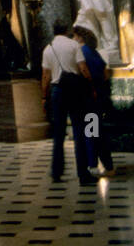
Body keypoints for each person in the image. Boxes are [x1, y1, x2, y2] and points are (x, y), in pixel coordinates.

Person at [40, 20, 96, 186]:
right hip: (74, 89)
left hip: (57, 90)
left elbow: (45, 76)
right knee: (79, 131)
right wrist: (91, 85)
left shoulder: (48, 49)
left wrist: (44, 97)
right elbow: (83, 68)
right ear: (66, 30)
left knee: (58, 133)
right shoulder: (73, 45)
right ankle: (83, 174)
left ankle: (57, 172)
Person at [73, 23, 115, 178]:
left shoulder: (81, 52)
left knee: (91, 131)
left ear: (79, 38)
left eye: (74, 37)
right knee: (98, 131)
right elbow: (105, 73)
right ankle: (108, 164)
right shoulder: (93, 52)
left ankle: (93, 165)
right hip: (99, 96)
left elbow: (84, 73)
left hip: (89, 97)